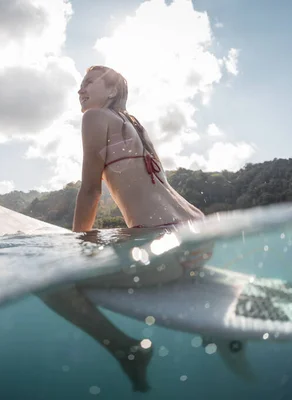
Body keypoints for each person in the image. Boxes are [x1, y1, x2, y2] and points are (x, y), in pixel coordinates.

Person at [40, 66, 209, 392]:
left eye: (89, 82)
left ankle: (127, 349)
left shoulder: (95, 118)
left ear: (113, 90)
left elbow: (91, 190)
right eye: (80, 85)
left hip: (164, 242)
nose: (81, 90)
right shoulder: (134, 124)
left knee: (51, 284)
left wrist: (76, 251)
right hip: (196, 233)